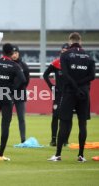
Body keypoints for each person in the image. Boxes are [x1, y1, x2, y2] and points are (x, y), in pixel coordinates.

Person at [48, 32, 95, 162]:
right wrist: (80, 86)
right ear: (80, 41)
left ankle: (58, 155)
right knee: (82, 124)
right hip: (84, 93)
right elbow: (92, 76)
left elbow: (66, 74)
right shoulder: (89, 56)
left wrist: (75, 86)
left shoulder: (65, 55)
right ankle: (81, 155)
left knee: (64, 122)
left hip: (69, 92)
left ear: (70, 42)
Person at [43, 43, 71, 147]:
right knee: (55, 116)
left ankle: (65, 140)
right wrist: (51, 86)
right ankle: (53, 139)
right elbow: (45, 74)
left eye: (66, 51)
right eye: (62, 51)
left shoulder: (72, 64)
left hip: (69, 94)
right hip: (58, 93)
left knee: (67, 117)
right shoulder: (56, 63)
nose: (64, 53)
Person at [11, 45, 30, 143]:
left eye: (15, 53)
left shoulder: (24, 65)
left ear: (18, 53)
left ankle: (23, 140)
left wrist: (19, 89)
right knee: (6, 118)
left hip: (20, 94)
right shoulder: (7, 65)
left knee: (21, 118)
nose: (14, 55)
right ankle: (3, 138)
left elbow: (26, 81)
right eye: (12, 53)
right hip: (7, 94)